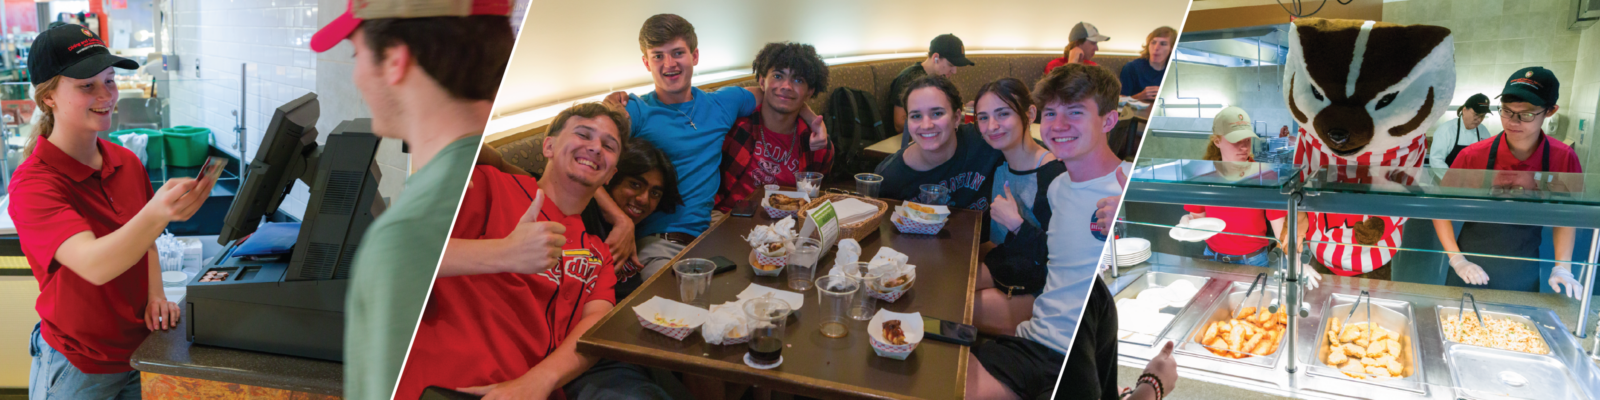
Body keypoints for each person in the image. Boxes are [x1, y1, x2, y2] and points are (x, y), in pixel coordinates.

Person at [306, 1, 516, 397]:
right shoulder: (491, 177)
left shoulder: (402, 236)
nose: (356, 75)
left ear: (395, 61)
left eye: (357, 54)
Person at [401, 103, 669, 400]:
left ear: (610, 175)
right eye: (583, 134)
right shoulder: (489, 186)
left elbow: (595, 326)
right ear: (549, 146)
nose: (595, 148)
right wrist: (503, 252)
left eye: (608, 145)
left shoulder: (598, 253)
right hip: (441, 385)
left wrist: (539, 381)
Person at [13, 24, 214, 399]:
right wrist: (159, 212)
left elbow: (145, 242)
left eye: (109, 80)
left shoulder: (124, 161)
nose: (106, 95)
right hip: (79, 366)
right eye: (86, 85)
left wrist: (156, 294)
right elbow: (94, 263)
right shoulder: (35, 183)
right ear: (49, 97)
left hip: (142, 354)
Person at [967, 63, 1152, 400]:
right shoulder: (1058, 188)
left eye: (1076, 112)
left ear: (1109, 121)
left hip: (1075, 354)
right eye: (1051, 113)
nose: (1059, 125)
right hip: (1032, 342)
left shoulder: (1130, 184)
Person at [603, 14, 826, 284]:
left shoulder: (722, 103)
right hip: (659, 243)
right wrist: (621, 220)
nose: (669, 64)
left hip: (710, 237)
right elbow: (588, 162)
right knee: (669, 302)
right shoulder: (637, 111)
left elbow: (775, 92)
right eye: (658, 56)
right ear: (646, 62)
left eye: (677, 53)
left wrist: (811, 119)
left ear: (695, 56)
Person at [1434, 67, 1582, 296]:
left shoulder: (1562, 157)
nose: (1513, 121)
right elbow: (1439, 209)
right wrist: (1457, 259)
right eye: (1506, 111)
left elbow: (1566, 216)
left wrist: (1563, 267)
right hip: (1470, 265)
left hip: (1523, 266)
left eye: (1526, 115)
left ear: (1550, 111)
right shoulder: (1473, 156)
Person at [971, 78, 1063, 335]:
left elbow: (1060, 257)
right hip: (1008, 266)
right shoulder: (998, 164)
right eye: (983, 118)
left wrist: (1017, 225)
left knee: (956, 306)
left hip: (1042, 287)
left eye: (1003, 114)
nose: (992, 126)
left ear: (1030, 114)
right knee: (944, 287)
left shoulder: (1053, 175)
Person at [715, 42, 834, 213]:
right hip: (729, 221)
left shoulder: (818, 145)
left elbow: (815, 200)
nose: (786, 86)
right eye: (778, 76)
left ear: (809, 91)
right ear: (762, 82)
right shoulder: (735, 127)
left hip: (788, 227)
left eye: (798, 80)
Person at [1181, 107, 1295, 270]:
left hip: (1253, 260)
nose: (1244, 147)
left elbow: (1281, 231)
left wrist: (1295, 262)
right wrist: (1187, 221)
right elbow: (1200, 222)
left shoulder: (1265, 176)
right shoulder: (1202, 175)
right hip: (1211, 257)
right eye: (1235, 140)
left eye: (1247, 140)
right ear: (1217, 141)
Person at [874, 76, 1004, 210]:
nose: (926, 125)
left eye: (937, 113)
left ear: (957, 117)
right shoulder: (890, 177)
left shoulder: (986, 140)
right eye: (916, 116)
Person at [602, 139, 683, 299]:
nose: (644, 199)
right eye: (635, 185)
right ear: (612, 177)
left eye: (654, 193)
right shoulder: (589, 217)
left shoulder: (637, 233)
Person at [887, 33, 974, 136]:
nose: (954, 71)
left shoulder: (939, 79)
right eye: (950, 65)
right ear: (935, 58)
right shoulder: (909, 78)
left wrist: (965, 109)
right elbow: (899, 124)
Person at [1428, 93, 1493, 170]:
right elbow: (1436, 160)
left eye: (1482, 116)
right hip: (1448, 179)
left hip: (1474, 180)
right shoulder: (1446, 130)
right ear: (1464, 110)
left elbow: (1487, 158)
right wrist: (1451, 179)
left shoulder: (1484, 131)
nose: (1479, 120)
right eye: (1476, 114)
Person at [1120, 26, 1175, 103]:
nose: (1156, 48)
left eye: (1163, 44)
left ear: (1172, 48)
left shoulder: (1174, 70)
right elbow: (1119, 101)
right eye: (1153, 43)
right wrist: (1139, 96)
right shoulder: (1131, 68)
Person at [1045, 22, 1110, 73]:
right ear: (1077, 43)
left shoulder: (1093, 67)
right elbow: (1063, 89)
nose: (1097, 49)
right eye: (1093, 43)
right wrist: (1072, 64)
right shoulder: (1055, 66)